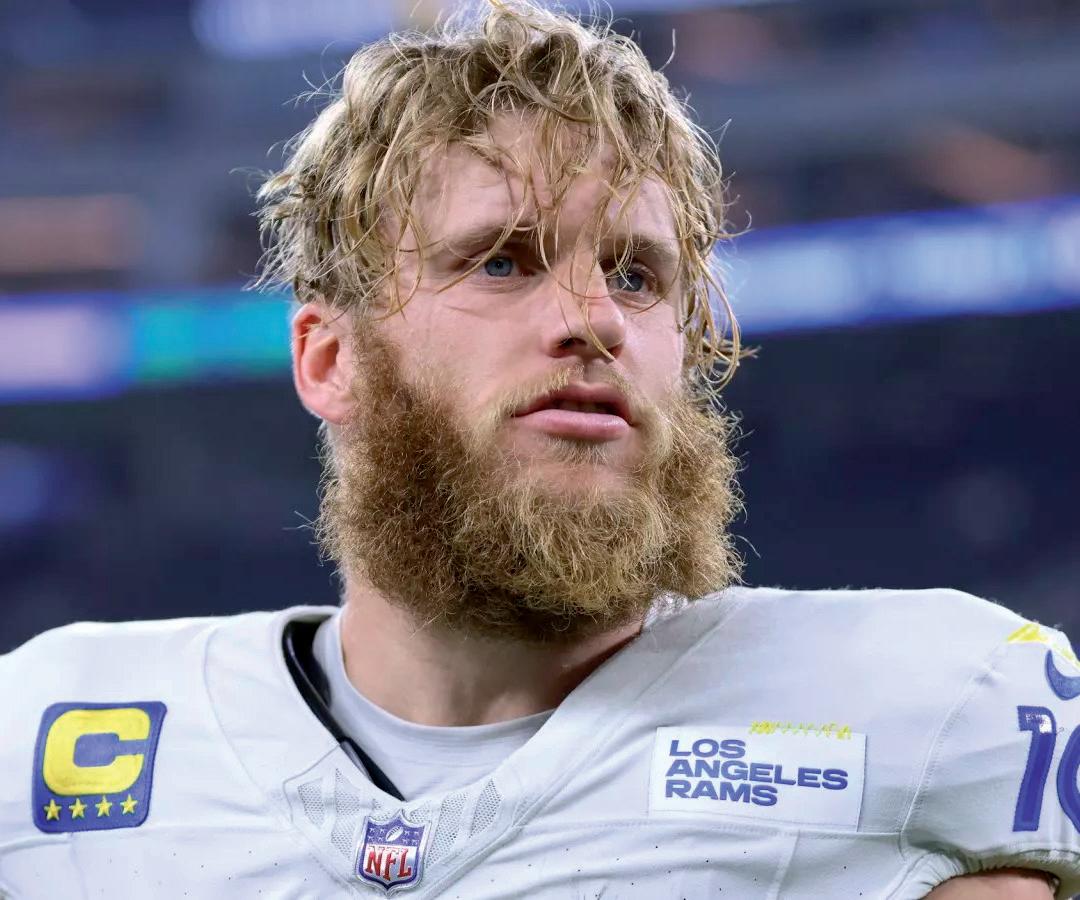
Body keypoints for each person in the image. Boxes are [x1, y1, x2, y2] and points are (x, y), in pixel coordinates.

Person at [1, 2, 1077, 897]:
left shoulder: (938, 707)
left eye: (637, 275)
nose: (594, 318)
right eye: (503, 263)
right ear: (331, 359)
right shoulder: (46, 737)